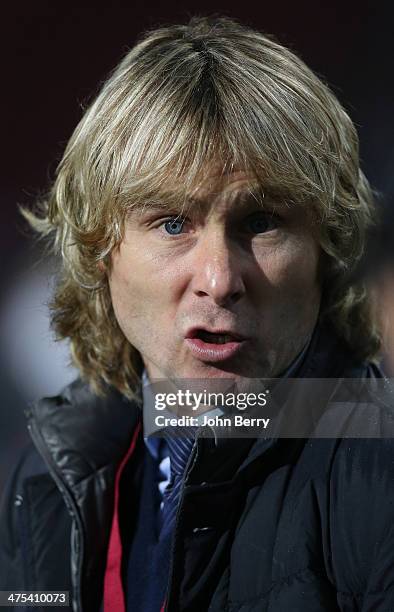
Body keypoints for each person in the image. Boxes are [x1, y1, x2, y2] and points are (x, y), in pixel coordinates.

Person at [0, 15, 393, 612]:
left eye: (261, 222)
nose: (219, 280)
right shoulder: (41, 483)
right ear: (100, 249)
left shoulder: (382, 474)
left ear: (327, 251)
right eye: (172, 223)